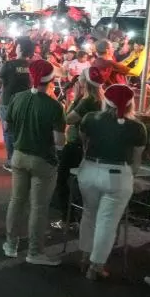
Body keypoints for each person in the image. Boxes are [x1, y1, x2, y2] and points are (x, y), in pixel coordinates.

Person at [76, 84, 146, 280]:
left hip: (89, 170)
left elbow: (84, 141)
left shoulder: (90, 118)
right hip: (117, 175)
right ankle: (96, 266)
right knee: (107, 222)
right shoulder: (137, 127)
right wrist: (130, 178)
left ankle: (84, 256)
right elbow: (136, 160)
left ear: (105, 101)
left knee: (89, 214)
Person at [3, 59, 65, 266]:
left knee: (16, 200)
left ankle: (10, 244)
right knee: (38, 207)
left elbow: (7, 127)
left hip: (19, 155)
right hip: (42, 160)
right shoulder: (55, 106)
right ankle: (34, 252)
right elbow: (59, 142)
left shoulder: (17, 98)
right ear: (51, 80)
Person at [53, 66, 103, 226]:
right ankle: (81, 217)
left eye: (81, 75)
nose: (77, 77)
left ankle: (68, 219)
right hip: (90, 147)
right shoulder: (98, 100)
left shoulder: (86, 102)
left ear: (85, 81)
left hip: (76, 146)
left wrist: (72, 99)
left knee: (62, 180)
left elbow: (69, 118)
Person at [0, 37, 34, 171]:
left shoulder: (9, 65)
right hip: (26, 101)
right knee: (24, 129)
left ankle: (12, 160)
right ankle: (23, 157)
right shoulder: (33, 65)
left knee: (8, 131)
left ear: (20, 48)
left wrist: (0, 68)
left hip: (8, 102)